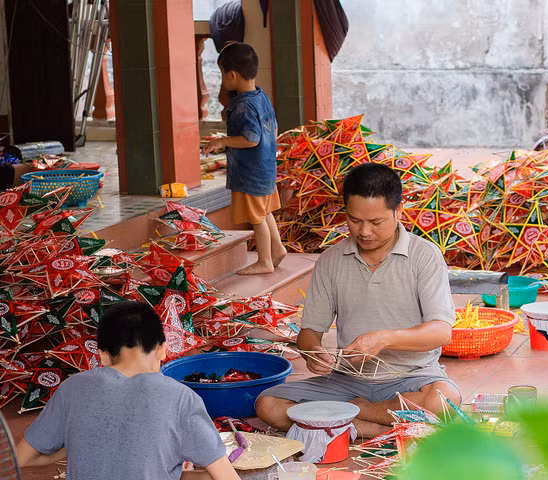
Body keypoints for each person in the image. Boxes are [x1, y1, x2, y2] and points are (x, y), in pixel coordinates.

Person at [255, 163, 461, 438]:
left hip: (412, 377)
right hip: (347, 380)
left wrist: (384, 339)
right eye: (354, 220)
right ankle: (378, 427)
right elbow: (309, 331)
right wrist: (313, 351)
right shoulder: (331, 260)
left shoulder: (424, 255)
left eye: (376, 222)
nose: (364, 232)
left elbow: (441, 332)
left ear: (398, 211)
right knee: (268, 404)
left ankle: (351, 415)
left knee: (443, 401)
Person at [15, 301, 240, 480]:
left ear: (103, 356)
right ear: (162, 349)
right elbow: (225, 476)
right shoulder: (181, 398)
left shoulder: (72, 387)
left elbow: (19, 458)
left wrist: (64, 451)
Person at [202, 42, 287, 275]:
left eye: (222, 74)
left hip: (251, 173)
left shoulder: (244, 105)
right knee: (265, 212)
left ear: (232, 75)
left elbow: (251, 139)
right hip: (266, 168)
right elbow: (273, 129)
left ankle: (265, 261)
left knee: (257, 219)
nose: (223, 79)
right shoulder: (261, 96)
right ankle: (278, 250)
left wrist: (223, 141)